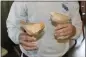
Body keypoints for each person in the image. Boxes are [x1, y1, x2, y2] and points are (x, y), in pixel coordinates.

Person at [6, 1, 82, 57]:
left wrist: (73, 31)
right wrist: (18, 36)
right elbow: (12, 25)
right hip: (31, 55)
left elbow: (78, 27)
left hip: (62, 54)